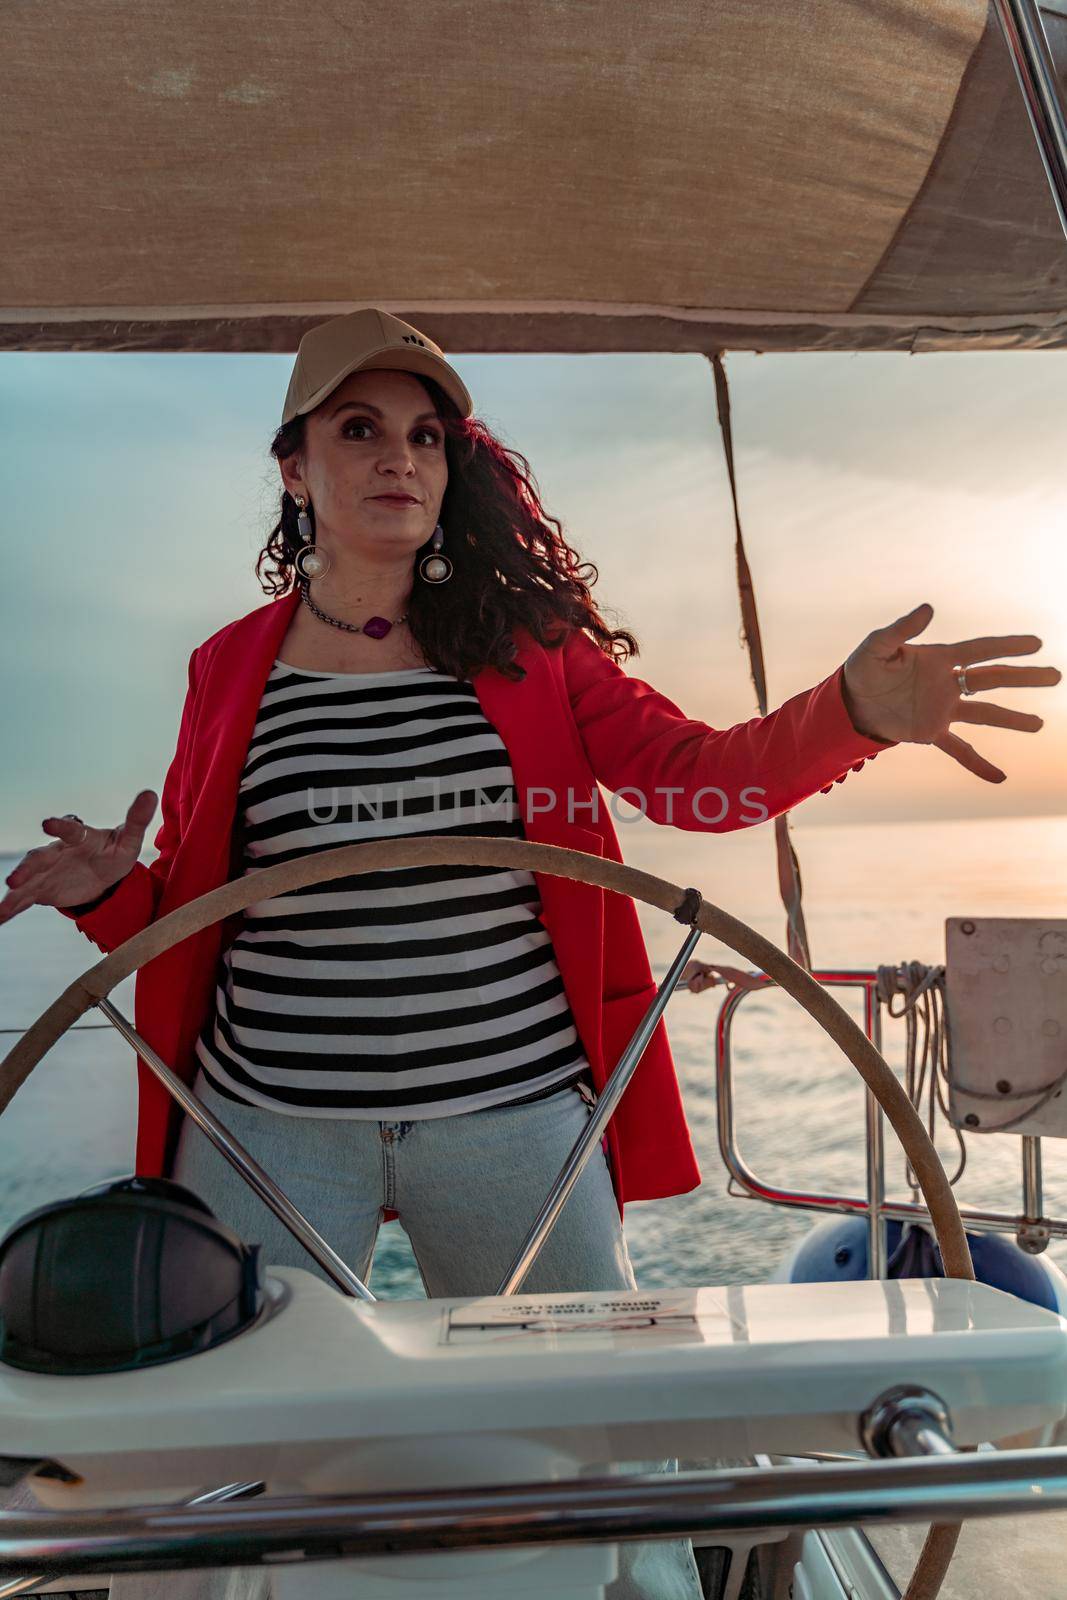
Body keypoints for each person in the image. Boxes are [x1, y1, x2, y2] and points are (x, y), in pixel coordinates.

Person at [0, 308, 1059, 1600]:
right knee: (233, 1444)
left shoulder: (533, 656)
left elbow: (695, 780)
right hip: (268, 1126)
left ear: (451, 469)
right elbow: (205, 904)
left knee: (610, 1448)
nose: (400, 459)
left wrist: (850, 714)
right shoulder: (227, 668)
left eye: (427, 437)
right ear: (294, 468)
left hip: (515, 1130)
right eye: (360, 431)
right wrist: (115, 896)